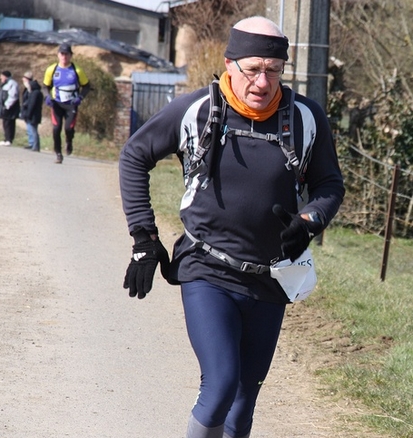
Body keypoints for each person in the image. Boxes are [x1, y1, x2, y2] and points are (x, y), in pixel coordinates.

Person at [118, 16, 344, 438]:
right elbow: (134, 156)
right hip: (208, 270)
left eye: (273, 71)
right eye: (252, 69)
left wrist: (309, 221)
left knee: (242, 408)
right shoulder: (198, 110)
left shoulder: (305, 118)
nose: (263, 82)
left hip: (271, 278)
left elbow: (329, 184)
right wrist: (144, 238)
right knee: (220, 385)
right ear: (229, 64)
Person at [43, 43, 90, 163]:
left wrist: (80, 97)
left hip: (71, 104)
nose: (64, 57)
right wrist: (47, 97)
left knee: (68, 128)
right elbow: (45, 86)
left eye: (67, 54)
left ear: (71, 56)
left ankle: (69, 141)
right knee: (56, 128)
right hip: (57, 103)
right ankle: (58, 154)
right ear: (58, 55)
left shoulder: (77, 70)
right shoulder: (52, 69)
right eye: (62, 54)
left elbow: (86, 86)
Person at [0, 70, 20, 146]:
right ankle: (6, 138)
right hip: (4, 107)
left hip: (9, 108)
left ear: (5, 76)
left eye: (1, 76)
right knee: (5, 123)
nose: (0, 78)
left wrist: (7, 105)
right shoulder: (5, 84)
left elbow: (13, 96)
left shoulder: (12, 84)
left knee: (9, 123)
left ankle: (9, 139)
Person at [20, 71, 43, 152]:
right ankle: (32, 144)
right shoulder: (31, 90)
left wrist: (28, 114)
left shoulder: (34, 92)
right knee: (30, 130)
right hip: (31, 113)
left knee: (33, 130)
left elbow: (32, 104)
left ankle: (36, 146)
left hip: (33, 114)